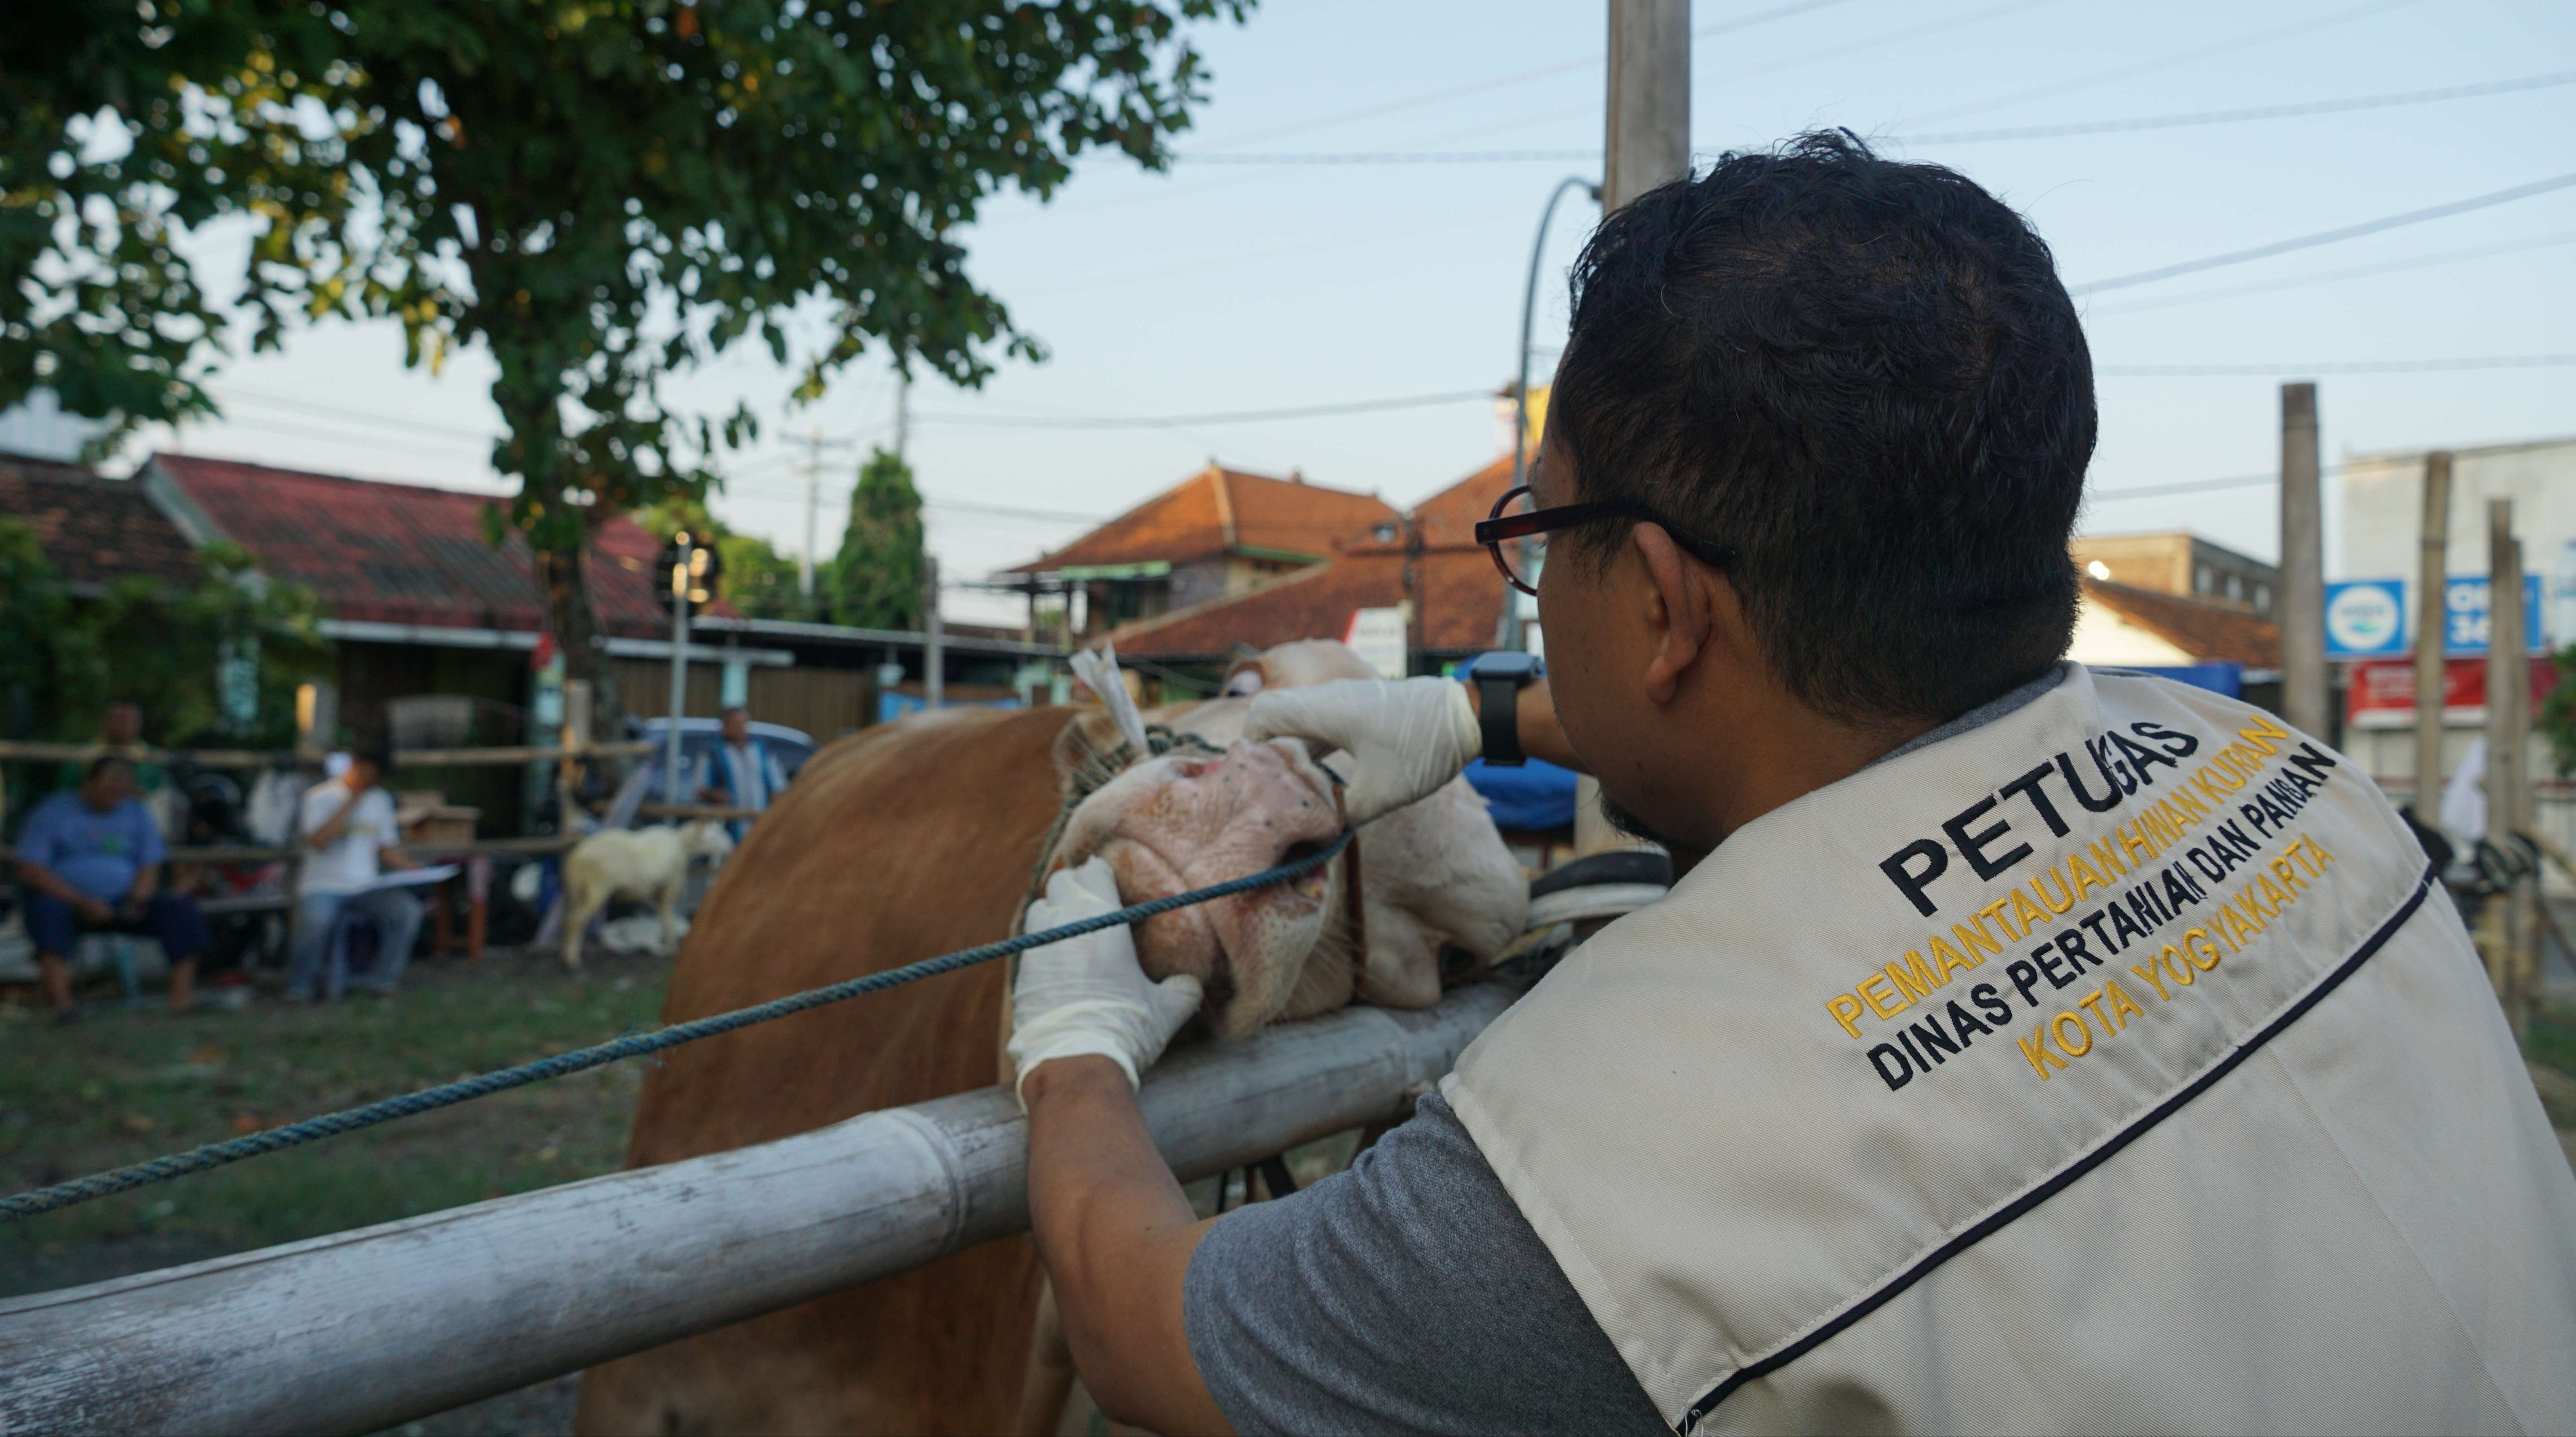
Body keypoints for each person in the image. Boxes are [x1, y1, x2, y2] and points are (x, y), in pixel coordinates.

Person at [1005, 133, 2576, 1435]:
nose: (1536, 585)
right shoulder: (2288, 788)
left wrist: (1075, 1042)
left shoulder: (1613, 1150)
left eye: (1541, 539)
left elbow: (1146, 1323)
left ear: (1669, 609)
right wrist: (1481, 719)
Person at [14, 755, 210, 1017]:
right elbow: (31, 871)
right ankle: (64, 1006)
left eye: (123, 788)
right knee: (46, 911)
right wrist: (83, 902)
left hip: (125, 901)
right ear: (90, 782)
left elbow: (150, 862)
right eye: (110, 787)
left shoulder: (136, 812)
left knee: (181, 910)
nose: (117, 794)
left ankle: (181, 1001)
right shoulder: (52, 812)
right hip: (68, 901)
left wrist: (139, 897)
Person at [287, 745, 423, 1001]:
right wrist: (352, 800)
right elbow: (320, 840)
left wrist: (412, 869)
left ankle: (383, 982)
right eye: (374, 773)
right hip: (323, 884)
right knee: (317, 921)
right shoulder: (320, 798)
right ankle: (300, 986)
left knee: (407, 912)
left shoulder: (380, 799)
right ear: (358, 767)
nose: (377, 780)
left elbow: (386, 848)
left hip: (366, 884)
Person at [693, 705, 786, 841]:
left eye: (743, 723)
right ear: (724, 726)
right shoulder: (713, 752)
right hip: (729, 826)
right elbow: (701, 788)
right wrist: (716, 795)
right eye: (735, 724)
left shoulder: (762, 750)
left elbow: (777, 787)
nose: (740, 728)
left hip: (760, 820)